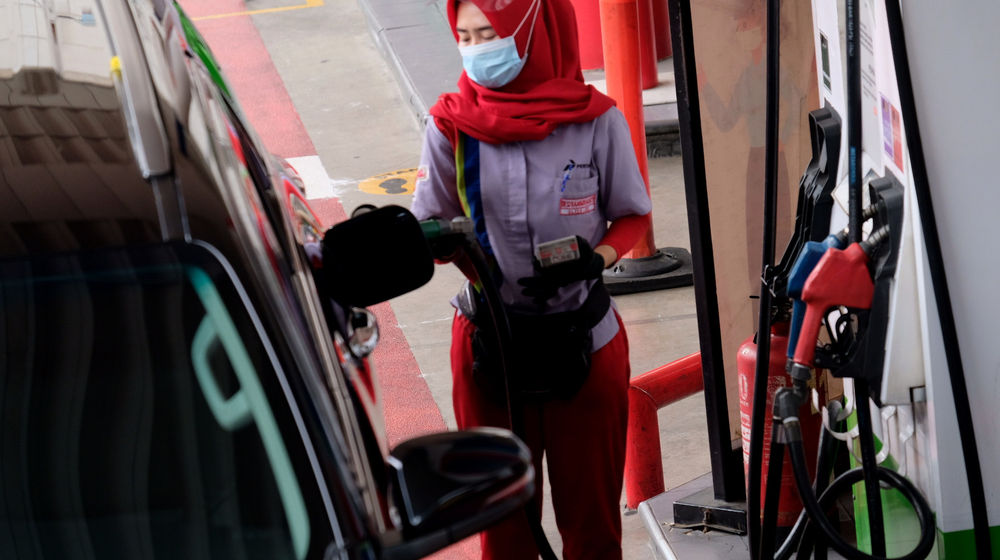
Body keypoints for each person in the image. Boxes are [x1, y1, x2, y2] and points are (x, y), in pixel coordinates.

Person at [410, 0, 652, 558]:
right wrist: (432, 240)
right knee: (504, 534)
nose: (476, 51)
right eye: (464, 37)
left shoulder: (595, 120)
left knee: (592, 529)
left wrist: (598, 258)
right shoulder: (449, 125)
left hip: (584, 347)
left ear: (532, 31)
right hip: (489, 350)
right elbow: (432, 225)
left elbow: (632, 212)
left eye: (489, 35)